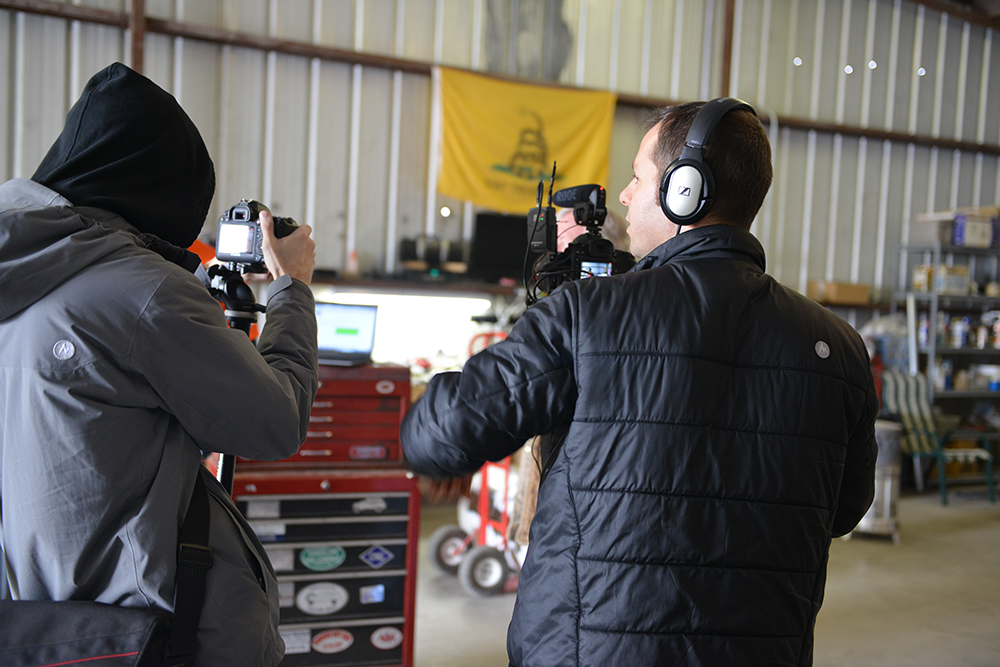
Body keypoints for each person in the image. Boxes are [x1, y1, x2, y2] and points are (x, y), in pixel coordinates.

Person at [401, 99, 877, 666]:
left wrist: (552, 318)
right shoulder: (841, 347)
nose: (625, 196)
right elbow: (845, 511)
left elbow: (436, 437)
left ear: (685, 191)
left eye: (638, 177)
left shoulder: (585, 314)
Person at [0, 63, 318, 667]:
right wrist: (292, 290)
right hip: (158, 636)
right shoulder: (144, 292)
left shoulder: (18, 268)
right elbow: (275, 422)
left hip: (44, 634)